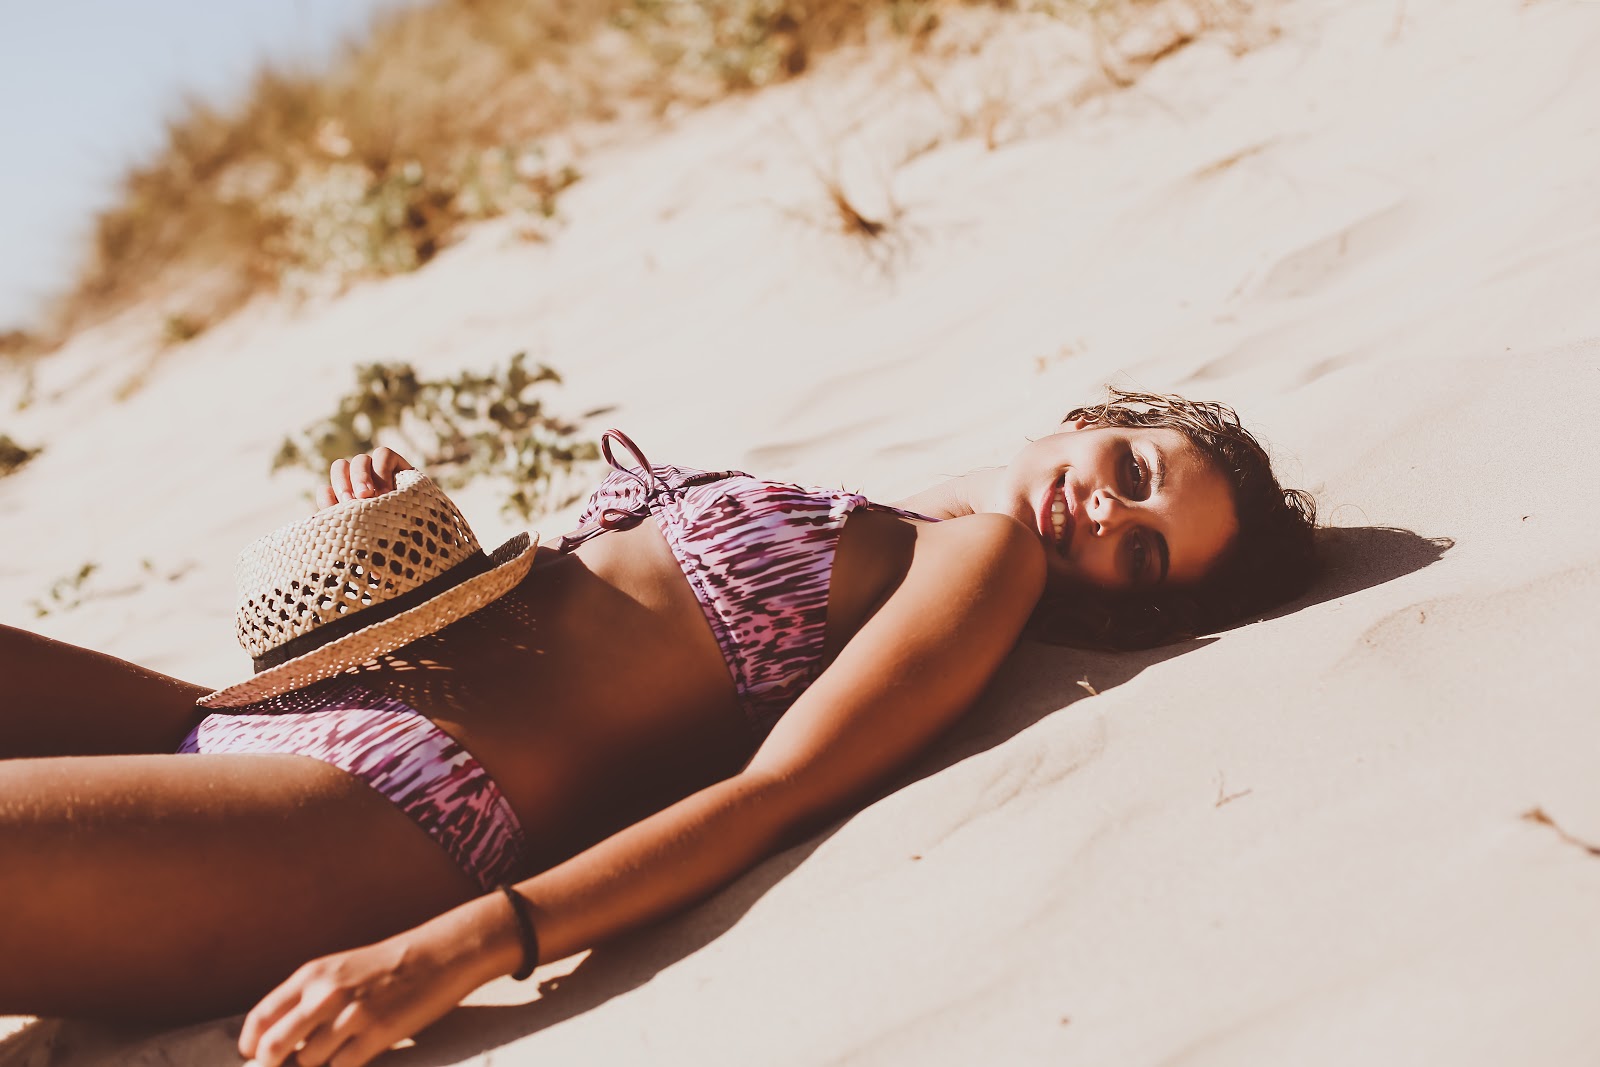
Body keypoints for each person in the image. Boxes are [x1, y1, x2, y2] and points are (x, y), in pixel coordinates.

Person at [0, 390, 1315, 1067]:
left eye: (1144, 556)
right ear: (1092, 420)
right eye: (1134, 473)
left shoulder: (984, 563)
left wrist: (463, 947)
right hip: (268, 710)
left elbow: (776, 792)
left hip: (390, 802)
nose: (1107, 517)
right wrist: (397, 535)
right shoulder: (891, 512)